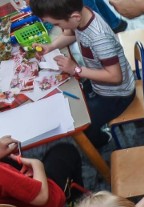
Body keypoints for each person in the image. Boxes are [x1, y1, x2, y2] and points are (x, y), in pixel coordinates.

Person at [31, 0, 135, 149]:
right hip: (99, 86)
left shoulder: (99, 38)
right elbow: (72, 34)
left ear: (75, 17)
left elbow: (115, 77)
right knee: (69, 99)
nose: (57, 28)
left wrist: (76, 69)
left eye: (58, 24)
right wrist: (51, 47)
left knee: (82, 124)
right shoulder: (82, 15)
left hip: (117, 95)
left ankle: (102, 139)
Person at [0, 136, 83, 207]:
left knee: (8, 160)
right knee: (66, 150)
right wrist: (37, 164)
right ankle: (76, 203)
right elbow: (42, 197)